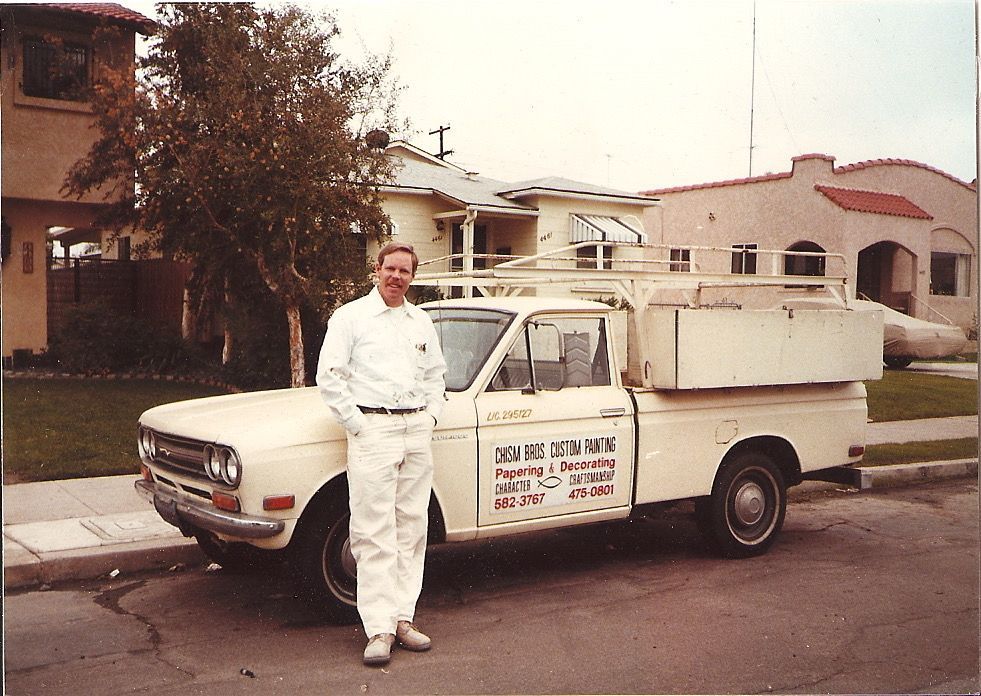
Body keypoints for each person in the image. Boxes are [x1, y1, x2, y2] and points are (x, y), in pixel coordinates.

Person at [316, 241, 447, 666]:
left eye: (405, 271)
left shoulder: (420, 321)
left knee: (412, 526)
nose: (397, 277)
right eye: (390, 269)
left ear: (413, 275)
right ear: (377, 270)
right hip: (373, 430)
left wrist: (428, 419)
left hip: (414, 430)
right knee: (372, 531)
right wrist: (359, 425)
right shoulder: (351, 317)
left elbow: (436, 378)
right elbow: (330, 376)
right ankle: (378, 629)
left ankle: (404, 619)